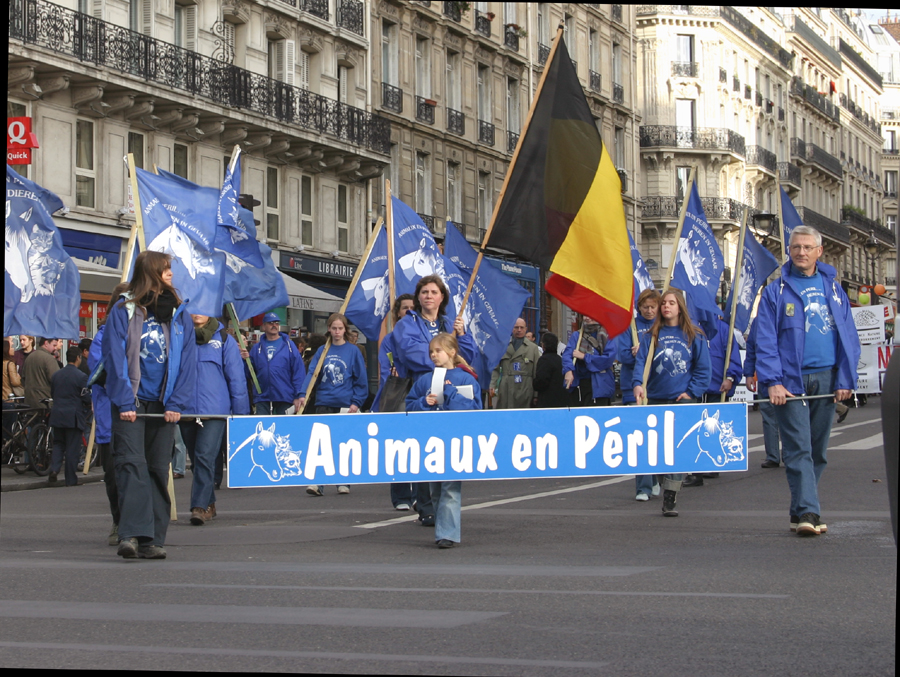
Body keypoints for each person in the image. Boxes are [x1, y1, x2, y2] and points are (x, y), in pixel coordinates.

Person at [755, 225, 859, 537]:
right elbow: (766, 339)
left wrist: (845, 378)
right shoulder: (776, 291)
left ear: (819, 251)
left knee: (818, 450)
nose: (801, 252)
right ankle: (810, 513)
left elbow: (848, 336)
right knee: (799, 448)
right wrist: (772, 380)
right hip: (791, 380)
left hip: (828, 378)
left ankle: (799, 509)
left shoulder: (835, 290)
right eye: (796, 247)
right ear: (790, 250)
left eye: (807, 247)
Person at [103, 250, 197, 560]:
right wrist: (124, 400)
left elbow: (187, 362)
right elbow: (114, 357)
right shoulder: (124, 309)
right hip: (132, 401)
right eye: (165, 269)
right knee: (131, 466)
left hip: (163, 404)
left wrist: (177, 402)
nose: (170, 274)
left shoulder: (180, 313)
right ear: (151, 273)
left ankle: (153, 539)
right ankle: (130, 534)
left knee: (158, 469)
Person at [393, 274, 476, 527]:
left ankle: (443, 503)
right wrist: (442, 352)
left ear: (442, 297)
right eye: (424, 292)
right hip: (423, 387)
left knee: (446, 445)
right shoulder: (408, 324)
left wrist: (462, 337)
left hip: (450, 388)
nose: (428, 296)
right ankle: (426, 505)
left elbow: (468, 356)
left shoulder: (451, 322)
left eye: (433, 292)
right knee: (422, 447)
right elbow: (411, 353)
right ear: (418, 297)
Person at [633, 288, 711, 517]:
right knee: (656, 449)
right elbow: (641, 364)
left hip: (682, 400)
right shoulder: (650, 336)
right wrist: (638, 383)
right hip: (656, 397)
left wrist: (692, 392)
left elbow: (703, 369)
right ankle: (659, 478)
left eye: (671, 303)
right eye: (664, 303)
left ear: (680, 307)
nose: (666, 307)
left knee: (677, 451)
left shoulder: (694, 335)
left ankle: (671, 495)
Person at [406, 333, 481, 548]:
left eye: (438, 350)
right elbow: (409, 405)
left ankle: (446, 534)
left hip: (455, 439)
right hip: (431, 440)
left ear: (451, 352)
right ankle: (443, 530)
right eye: (431, 352)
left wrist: (447, 392)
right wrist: (423, 402)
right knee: (435, 490)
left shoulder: (466, 378)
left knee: (450, 487)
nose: (433, 355)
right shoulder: (425, 379)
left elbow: (474, 409)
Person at [180, 312, 250, 525]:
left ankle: (199, 507)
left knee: (204, 457)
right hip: (185, 409)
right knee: (196, 459)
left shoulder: (224, 339)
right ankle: (209, 502)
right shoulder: (179, 335)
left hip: (215, 410)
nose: (197, 313)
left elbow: (236, 378)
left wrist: (240, 415)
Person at [300, 313, 368, 496]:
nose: (337, 332)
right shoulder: (323, 350)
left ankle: (343, 480)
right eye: (334, 328)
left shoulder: (353, 351)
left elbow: (361, 380)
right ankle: (318, 482)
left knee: (342, 443)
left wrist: (356, 402)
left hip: (344, 402)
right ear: (329, 329)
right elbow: (312, 374)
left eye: (340, 328)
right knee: (322, 444)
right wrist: (302, 394)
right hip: (324, 400)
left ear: (345, 330)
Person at [87, 282, 129, 546]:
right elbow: (99, 370)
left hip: (137, 414)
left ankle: (136, 523)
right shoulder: (102, 336)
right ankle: (118, 520)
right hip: (109, 418)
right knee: (113, 476)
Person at [684, 317, 744, 487]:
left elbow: (732, 355)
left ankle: (711, 465)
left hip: (717, 386)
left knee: (714, 429)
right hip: (696, 386)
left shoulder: (724, 329)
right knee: (697, 429)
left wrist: (731, 377)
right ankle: (696, 471)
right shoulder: (691, 327)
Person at [372, 294, 417, 510]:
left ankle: (419, 494)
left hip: (417, 391)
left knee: (418, 444)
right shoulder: (389, 339)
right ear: (398, 312)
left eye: (412, 307)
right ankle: (401, 496)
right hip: (397, 392)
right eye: (404, 307)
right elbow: (384, 367)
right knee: (398, 444)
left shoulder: (422, 335)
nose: (408, 311)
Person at [617, 289, 662, 501]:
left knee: (657, 438)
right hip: (633, 389)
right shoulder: (631, 326)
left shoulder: (662, 325)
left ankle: (654, 478)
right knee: (640, 438)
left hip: (657, 387)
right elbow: (621, 355)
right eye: (646, 307)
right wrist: (634, 353)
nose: (650, 310)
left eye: (653, 307)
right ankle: (643, 486)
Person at [241, 312, 305, 415]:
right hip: (262, 397)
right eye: (270, 323)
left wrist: (298, 395)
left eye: (276, 323)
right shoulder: (257, 348)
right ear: (264, 326)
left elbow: (298, 372)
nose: (274, 325)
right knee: (263, 427)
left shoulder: (289, 345)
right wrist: (244, 361)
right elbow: (249, 373)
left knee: (283, 428)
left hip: (284, 396)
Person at [47, 346, 91, 486]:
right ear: (78, 358)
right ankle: (70, 479)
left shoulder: (57, 375)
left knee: (58, 444)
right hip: (73, 415)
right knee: (72, 448)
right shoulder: (81, 376)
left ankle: (54, 469)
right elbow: (86, 397)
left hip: (57, 414)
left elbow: (53, 394)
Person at [743, 319, 782, 469]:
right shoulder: (759, 322)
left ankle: (789, 453)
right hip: (766, 375)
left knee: (790, 416)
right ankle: (773, 455)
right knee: (769, 416)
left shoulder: (787, 314)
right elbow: (751, 348)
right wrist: (748, 374)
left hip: (787, 375)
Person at [562, 317, 617, 407]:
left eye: (590, 315)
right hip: (580, 386)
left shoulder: (608, 335)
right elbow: (567, 354)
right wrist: (568, 371)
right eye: (585, 315)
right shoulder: (577, 335)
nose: (587, 318)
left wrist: (584, 356)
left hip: (600, 386)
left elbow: (608, 360)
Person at [490, 318, 541, 410]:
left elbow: (536, 373)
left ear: (526, 329)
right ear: (512, 329)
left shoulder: (533, 348)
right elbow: (495, 368)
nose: (519, 330)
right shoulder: (503, 346)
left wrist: (536, 394)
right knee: (506, 416)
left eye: (522, 327)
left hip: (525, 388)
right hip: (506, 388)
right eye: (516, 327)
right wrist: (492, 385)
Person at [22, 337, 61, 411]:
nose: (55, 348)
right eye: (54, 345)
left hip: (29, 402)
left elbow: (23, 378)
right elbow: (57, 380)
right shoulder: (49, 359)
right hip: (44, 402)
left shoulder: (29, 357)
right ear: (46, 343)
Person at [532, 333, 568, 408]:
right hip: (561, 400)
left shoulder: (544, 360)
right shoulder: (560, 359)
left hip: (547, 400)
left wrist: (534, 383)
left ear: (543, 345)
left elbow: (541, 381)